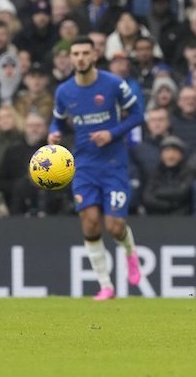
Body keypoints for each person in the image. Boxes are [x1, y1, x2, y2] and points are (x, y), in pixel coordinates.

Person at [48, 36, 144, 301]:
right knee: (90, 223)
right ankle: (106, 286)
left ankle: (129, 252)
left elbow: (137, 115)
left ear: (94, 55)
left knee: (114, 226)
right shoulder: (64, 91)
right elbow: (56, 122)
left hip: (113, 163)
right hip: (83, 165)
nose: (79, 58)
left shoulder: (113, 84)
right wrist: (53, 134)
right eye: (75, 53)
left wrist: (111, 134)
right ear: (71, 57)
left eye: (84, 53)